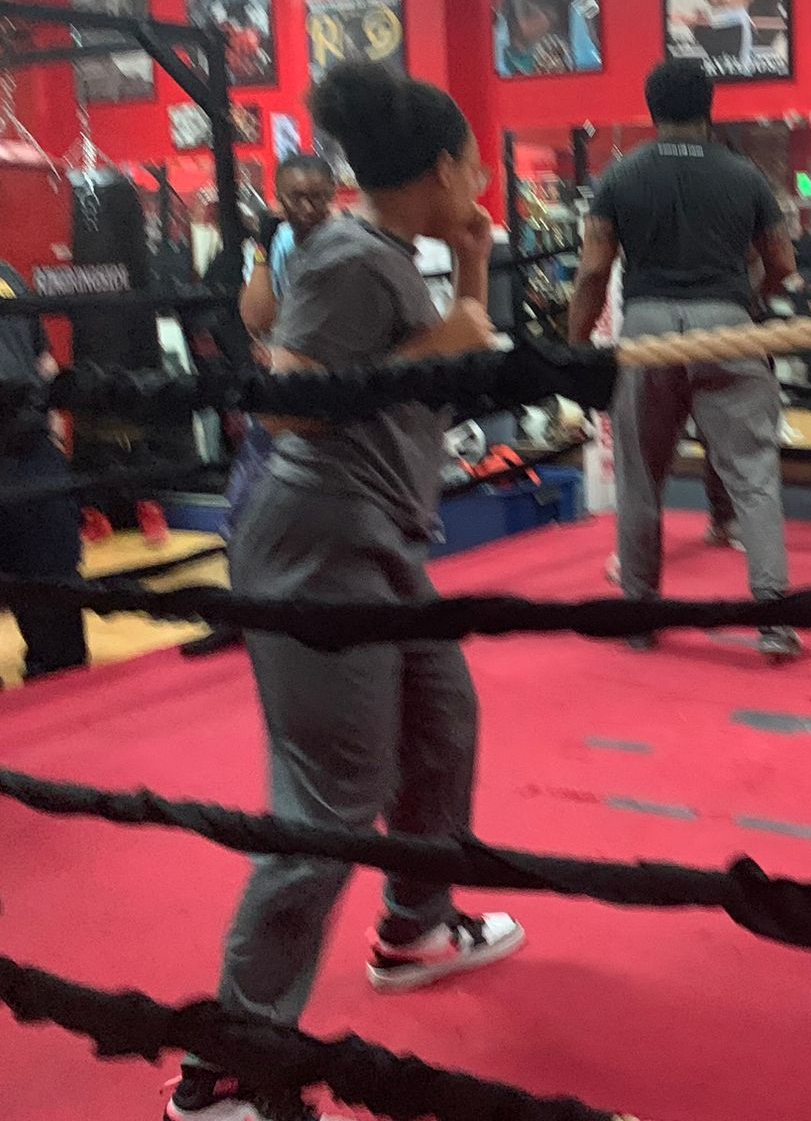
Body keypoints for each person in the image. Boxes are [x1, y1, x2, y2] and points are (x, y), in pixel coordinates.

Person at [170, 64, 520, 1121]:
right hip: (319, 549)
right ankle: (228, 1064)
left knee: (442, 720)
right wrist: (446, 334)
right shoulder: (354, 256)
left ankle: (414, 920)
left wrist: (467, 283)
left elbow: (428, 366)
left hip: (376, 543)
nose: (485, 175)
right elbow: (290, 407)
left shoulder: (390, 253)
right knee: (327, 801)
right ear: (448, 163)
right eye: (474, 159)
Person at [569, 59, 800, 661]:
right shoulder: (746, 175)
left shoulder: (618, 176)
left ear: (650, 110)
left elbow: (594, 271)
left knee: (640, 479)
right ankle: (774, 619)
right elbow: (782, 267)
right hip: (726, 326)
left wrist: (572, 351)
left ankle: (641, 618)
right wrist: (746, 300)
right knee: (753, 474)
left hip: (647, 332)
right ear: (710, 106)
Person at [187, 155, 341, 660]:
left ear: (333, 193)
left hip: (329, 403)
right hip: (279, 397)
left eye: (319, 195)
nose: (309, 207)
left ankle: (328, 617)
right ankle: (245, 613)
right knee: (244, 508)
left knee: (329, 516)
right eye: (298, 197)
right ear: (280, 199)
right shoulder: (278, 242)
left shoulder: (351, 248)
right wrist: (258, 247)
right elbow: (256, 316)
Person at [0, 261, 86, 683]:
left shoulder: (8, 275)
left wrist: (54, 436)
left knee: (55, 601)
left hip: (32, 455)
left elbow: (42, 359)